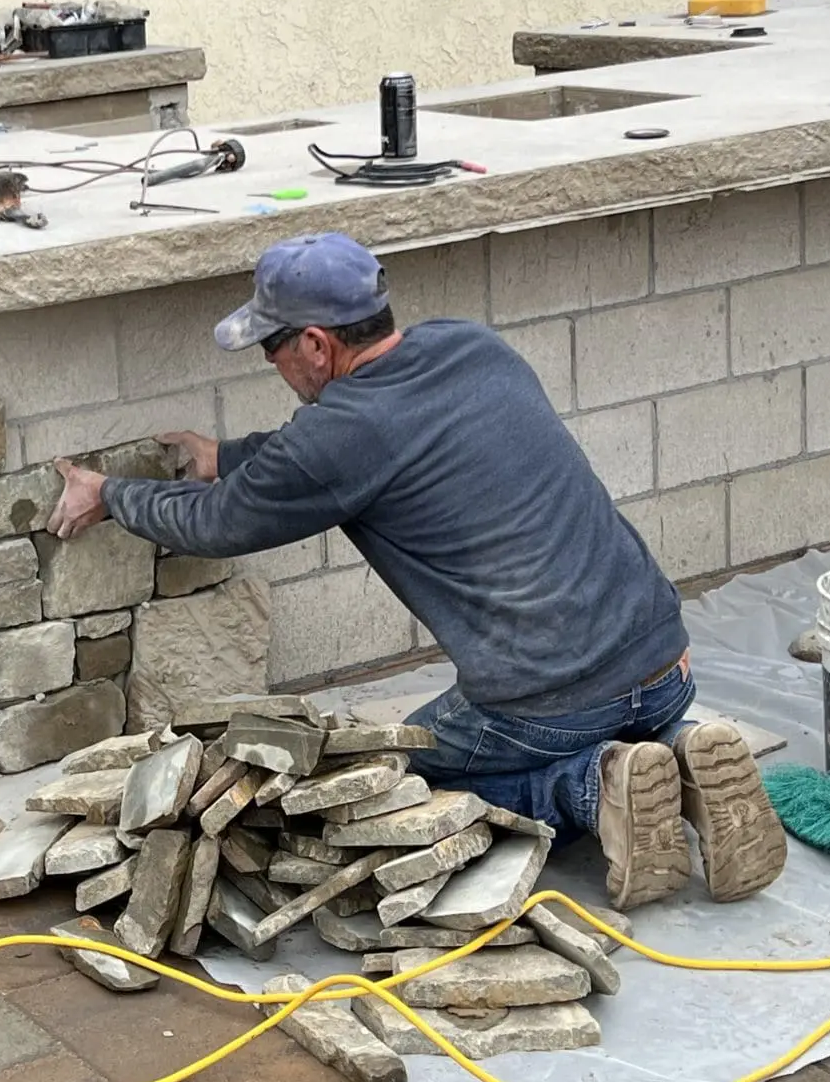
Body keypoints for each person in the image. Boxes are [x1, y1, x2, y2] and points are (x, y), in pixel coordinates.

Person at [47, 232, 786, 911]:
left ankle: (595, 787)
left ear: (313, 344)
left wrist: (108, 494)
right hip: (664, 658)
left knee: (398, 779)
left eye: (270, 347)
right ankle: (681, 750)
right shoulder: (471, 346)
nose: (270, 364)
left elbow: (217, 522)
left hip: (547, 705)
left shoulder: (337, 438)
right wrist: (229, 458)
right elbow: (347, 449)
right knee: (599, 717)